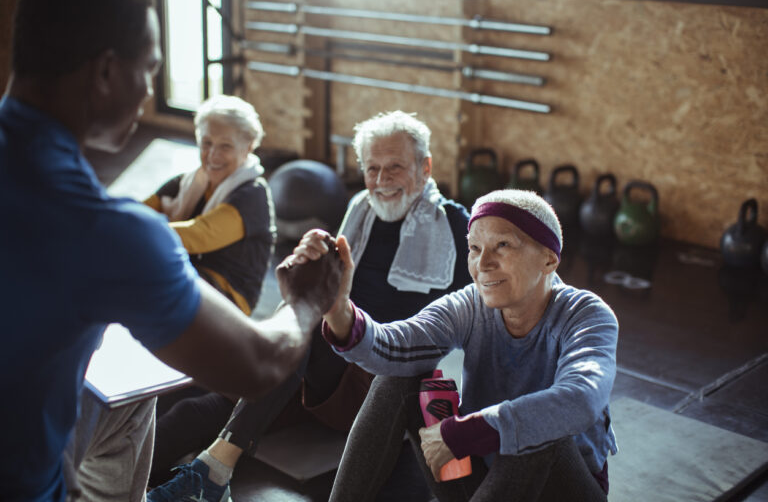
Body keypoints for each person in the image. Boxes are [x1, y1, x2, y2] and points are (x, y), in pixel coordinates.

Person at [0, 0, 320, 501]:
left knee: (131, 400)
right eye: (148, 69)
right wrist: (305, 299)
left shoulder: (245, 198)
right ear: (105, 72)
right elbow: (258, 365)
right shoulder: (101, 229)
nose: (150, 89)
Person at [148, 110, 473, 501]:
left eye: (395, 168)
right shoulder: (361, 210)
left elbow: (489, 302)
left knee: (304, 322)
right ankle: (114, 489)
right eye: (372, 169)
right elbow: (328, 289)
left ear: (425, 167)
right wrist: (308, 263)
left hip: (379, 378)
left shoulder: (454, 226)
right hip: (318, 367)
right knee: (189, 409)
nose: (382, 182)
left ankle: (216, 469)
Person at [295, 189, 618, 501]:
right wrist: (338, 310)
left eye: (502, 245)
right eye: (475, 248)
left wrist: (463, 433)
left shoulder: (587, 315)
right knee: (398, 381)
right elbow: (395, 347)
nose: (484, 264)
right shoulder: (470, 305)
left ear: (549, 260)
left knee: (541, 434)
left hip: (560, 490)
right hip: (485, 483)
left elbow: (582, 398)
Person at [144, 94, 275, 316]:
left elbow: (199, 235)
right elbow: (142, 210)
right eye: (206, 143)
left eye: (225, 146)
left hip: (229, 297)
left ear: (249, 147)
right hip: (193, 275)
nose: (213, 155)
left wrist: (131, 228)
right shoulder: (188, 182)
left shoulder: (252, 195)